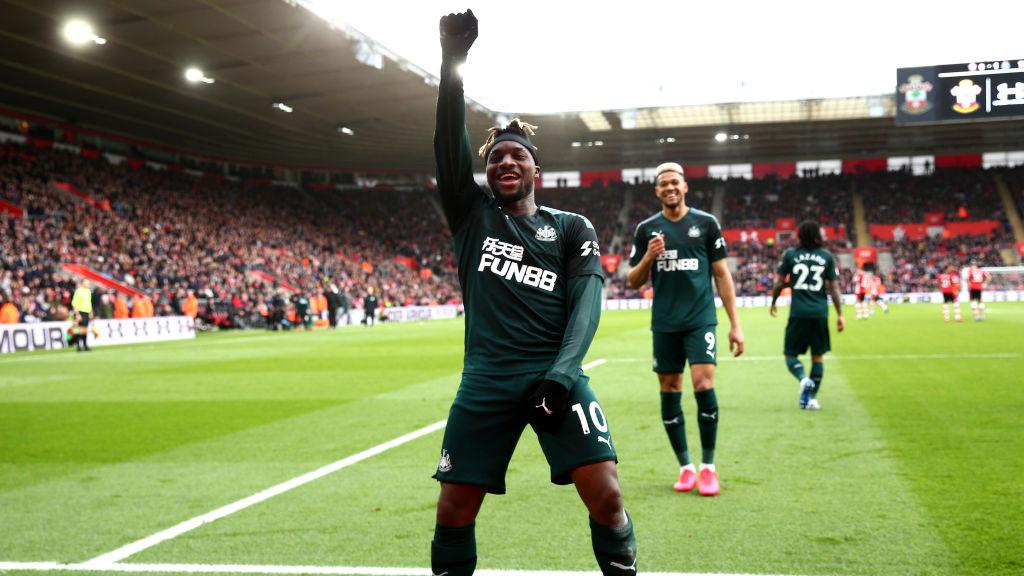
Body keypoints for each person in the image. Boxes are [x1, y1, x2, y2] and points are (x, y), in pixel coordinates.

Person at [431, 10, 636, 575]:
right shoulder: (470, 217)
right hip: (487, 378)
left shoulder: (572, 227)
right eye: (496, 156)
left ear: (536, 168)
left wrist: (561, 376)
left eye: (517, 154)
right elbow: (448, 144)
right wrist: (453, 62)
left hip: (556, 375)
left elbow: (587, 306)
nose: (505, 161)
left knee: (608, 495)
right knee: (453, 508)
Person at [627, 161, 744, 496]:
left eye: (674, 182)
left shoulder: (706, 224)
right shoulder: (646, 229)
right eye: (663, 184)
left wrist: (735, 325)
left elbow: (722, 275)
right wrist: (649, 257)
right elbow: (632, 280)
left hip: (700, 319)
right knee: (669, 388)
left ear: (684, 186)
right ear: (657, 191)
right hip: (664, 323)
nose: (669, 188)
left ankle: (708, 467)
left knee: (703, 382)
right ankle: (685, 466)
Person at [770, 221, 845, 411]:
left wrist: (773, 303)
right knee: (817, 357)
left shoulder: (791, 255)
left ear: (799, 236)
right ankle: (812, 399)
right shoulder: (826, 256)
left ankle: (803, 379)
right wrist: (840, 315)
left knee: (790, 355)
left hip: (799, 313)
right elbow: (833, 288)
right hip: (820, 313)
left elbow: (779, 283)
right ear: (819, 235)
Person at [71, 279, 93, 352]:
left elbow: (89, 302)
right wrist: (77, 314)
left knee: (85, 330)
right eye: (87, 283)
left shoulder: (89, 292)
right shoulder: (78, 291)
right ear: (82, 284)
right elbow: (74, 303)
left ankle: (85, 345)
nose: (88, 284)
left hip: (86, 312)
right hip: (80, 312)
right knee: (78, 330)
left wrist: (90, 312)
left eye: (88, 283)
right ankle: (78, 346)